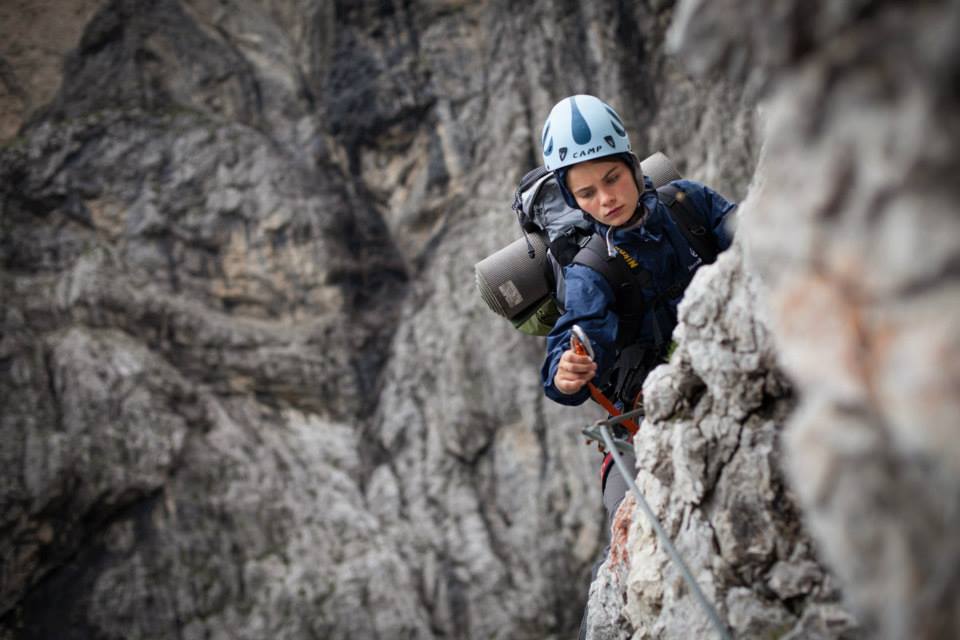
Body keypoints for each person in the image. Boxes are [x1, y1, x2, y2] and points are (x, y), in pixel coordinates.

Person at [536, 95, 735, 637]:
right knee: (631, 545)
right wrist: (566, 371)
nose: (605, 199)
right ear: (572, 200)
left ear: (631, 165)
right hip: (642, 426)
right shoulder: (590, 272)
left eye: (612, 179)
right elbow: (575, 336)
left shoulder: (689, 206)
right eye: (587, 192)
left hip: (728, 376)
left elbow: (751, 238)